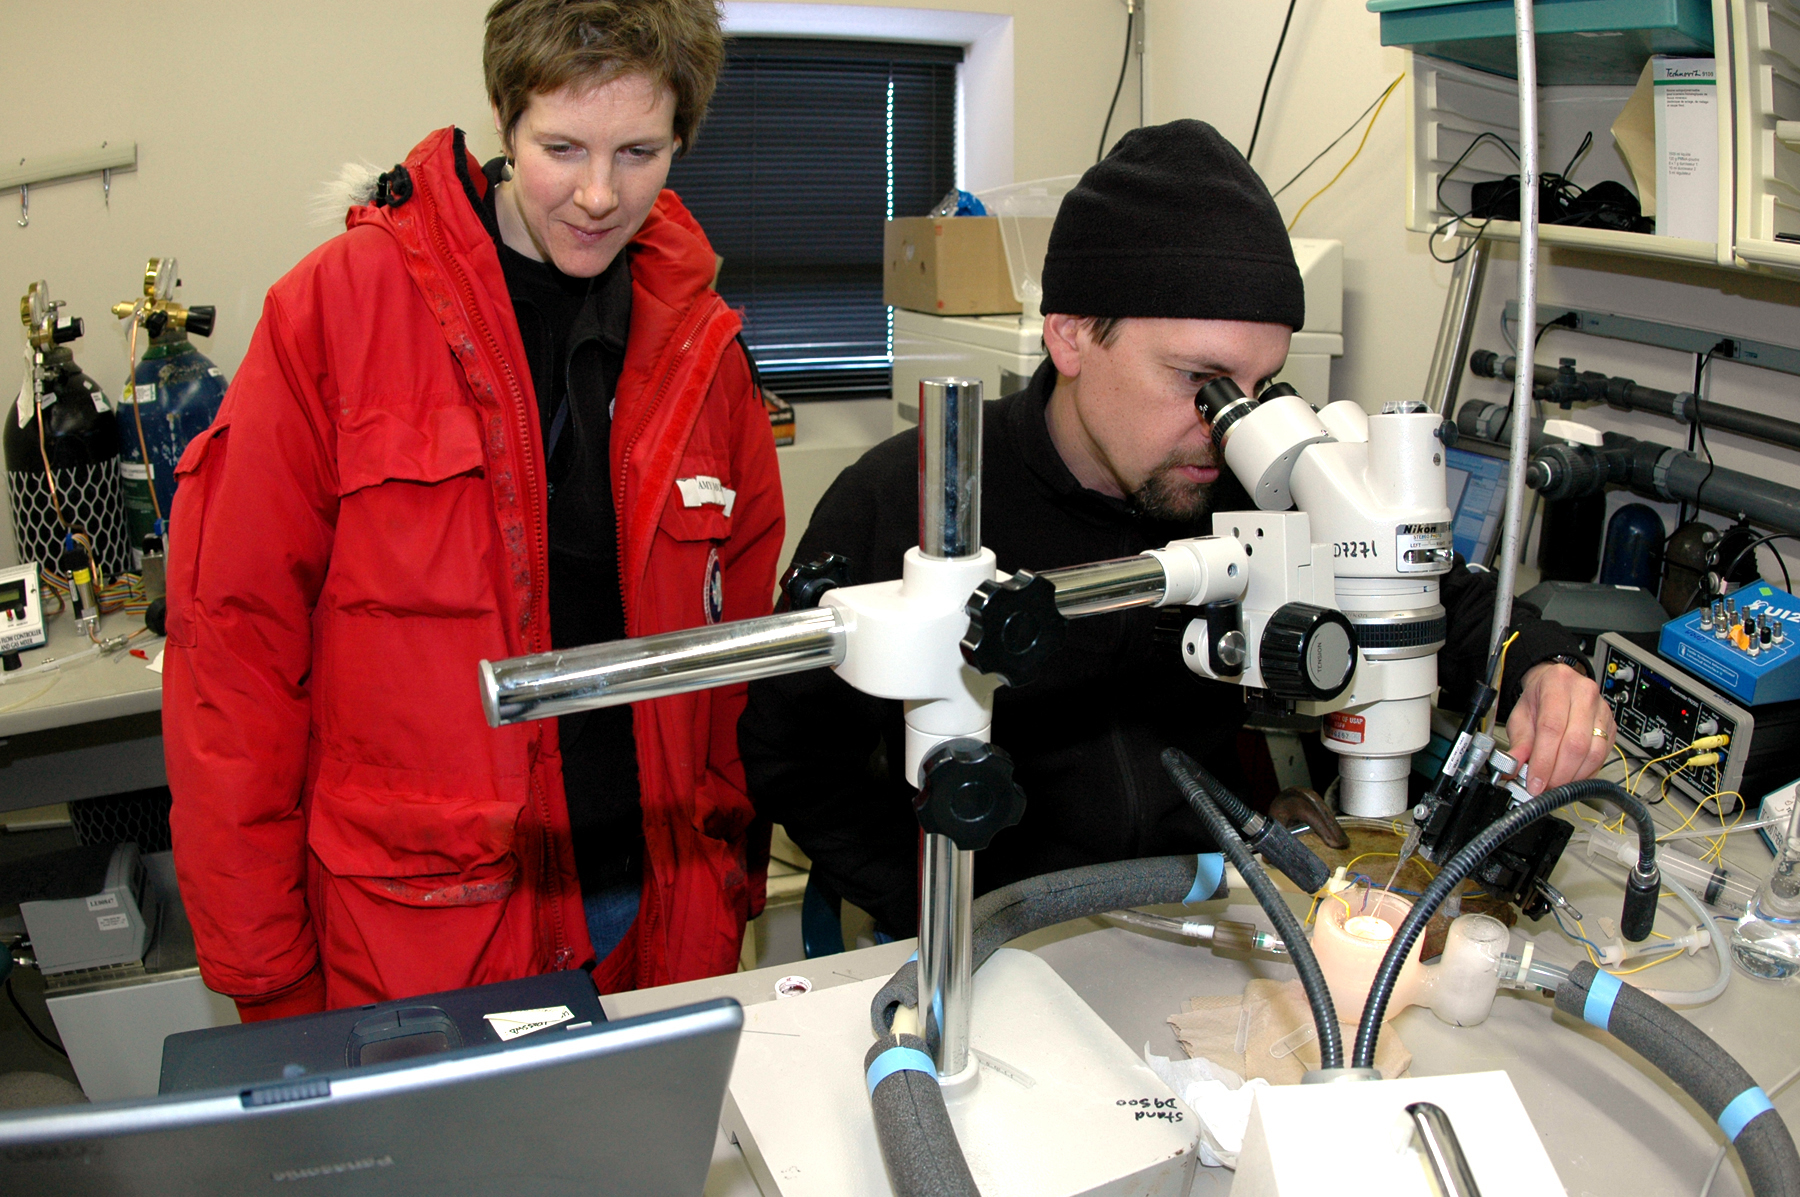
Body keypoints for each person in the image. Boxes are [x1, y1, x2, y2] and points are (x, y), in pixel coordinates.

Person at [739, 120, 1612, 938]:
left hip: (1210, 917)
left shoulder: (1255, 479)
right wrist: (941, 908)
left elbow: (1434, 598)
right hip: (1004, 930)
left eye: (1259, 385)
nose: (1225, 425)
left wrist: (1543, 664)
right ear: (1073, 333)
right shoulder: (911, 497)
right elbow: (789, 749)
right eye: (1201, 381)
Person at [164, 0, 783, 1021]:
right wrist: (264, 966)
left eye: (638, 151)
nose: (597, 194)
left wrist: (730, 877)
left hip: (648, 908)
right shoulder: (334, 312)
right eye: (562, 148)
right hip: (419, 930)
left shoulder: (703, 349)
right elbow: (231, 655)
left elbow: (738, 664)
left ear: (682, 139)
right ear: (504, 121)